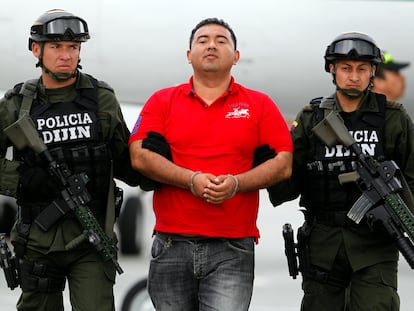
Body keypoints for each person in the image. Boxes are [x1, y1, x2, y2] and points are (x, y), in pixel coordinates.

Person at [129, 17, 293, 310]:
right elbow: (139, 154)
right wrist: (191, 180)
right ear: (188, 55)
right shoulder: (162, 101)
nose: (211, 45)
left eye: (221, 40)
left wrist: (236, 184)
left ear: (236, 56)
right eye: (202, 40)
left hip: (232, 247)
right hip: (171, 244)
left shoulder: (259, 104)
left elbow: (283, 163)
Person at [0, 9, 152, 311]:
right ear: (36, 49)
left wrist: (160, 164)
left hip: (91, 241)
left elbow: (125, 161)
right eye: (56, 47)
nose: (66, 55)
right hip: (36, 243)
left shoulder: (101, 98)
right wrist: (21, 180)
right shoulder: (17, 104)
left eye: (73, 47)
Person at [267, 32, 414, 310]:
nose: (354, 76)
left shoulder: (394, 118)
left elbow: (412, 178)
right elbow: (289, 177)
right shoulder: (312, 118)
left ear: (373, 72)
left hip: (376, 244)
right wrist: (265, 159)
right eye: (346, 68)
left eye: (362, 69)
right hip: (324, 243)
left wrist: (403, 216)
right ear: (332, 70)